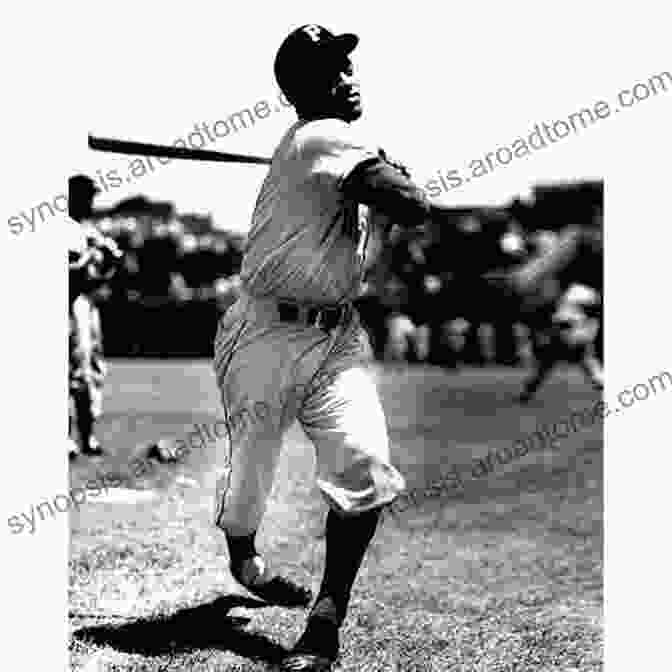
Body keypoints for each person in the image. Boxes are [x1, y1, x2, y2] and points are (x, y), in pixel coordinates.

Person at [211, 25, 503, 671]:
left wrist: (381, 167)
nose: (348, 76)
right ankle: (246, 561)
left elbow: (396, 206)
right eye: (330, 70)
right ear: (300, 89)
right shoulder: (326, 137)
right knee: (250, 480)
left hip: (335, 333)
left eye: (347, 65)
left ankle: (324, 621)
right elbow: (413, 203)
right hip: (263, 333)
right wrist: (390, 167)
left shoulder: (320, 144)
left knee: (364, 468)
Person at [68, 175, 123, 458]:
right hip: (68, 302)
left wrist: (109, 260)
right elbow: (73, 271)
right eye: (87, 195)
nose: (91, 201)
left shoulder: (86, 228)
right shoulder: (63, 227)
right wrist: (92, 256)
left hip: (86, 304)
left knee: (91, 370)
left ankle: (87, 436)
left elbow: (99, 275)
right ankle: (67, 438)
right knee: (72, 372)